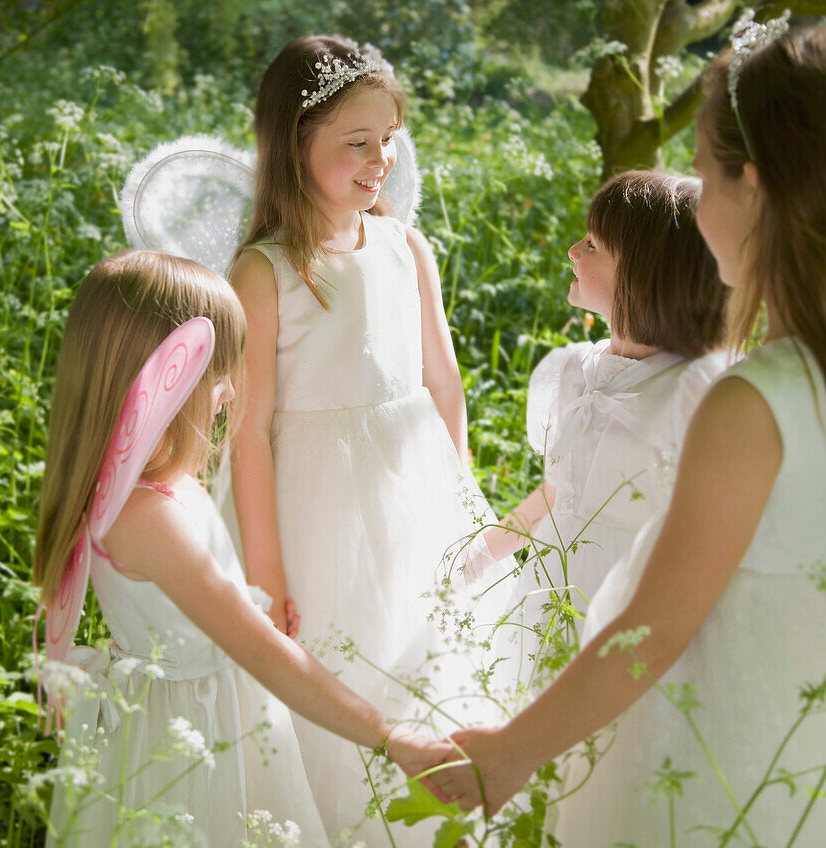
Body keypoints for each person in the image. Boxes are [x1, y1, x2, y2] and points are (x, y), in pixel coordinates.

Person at [434, 23, 826, 848]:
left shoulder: (747, 402)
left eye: (706, 174)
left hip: (720, 749)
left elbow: (655, 630)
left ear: (750, 189)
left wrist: (506, 756)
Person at [32, 250, 452, 847]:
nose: (229, 393)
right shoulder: (146, 516)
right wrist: (390, 737)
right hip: (195, 738)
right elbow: (264, 656)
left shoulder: (151, 488)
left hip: (222, 712)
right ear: (163, 376)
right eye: (217, 372)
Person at [226, 35, 502, 844]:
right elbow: (250, 428)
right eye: (356, 143)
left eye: (388, 139)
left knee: (426, 653)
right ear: (293, 141)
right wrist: (266, 569)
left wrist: (461, 503)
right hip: (316, 509)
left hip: (413, 495)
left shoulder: (404, 247)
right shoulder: (267, 269)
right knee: (341, 661)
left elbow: (442, 387)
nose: (379, 159)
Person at [463, 170, 731, 698]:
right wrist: (480, 555)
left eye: (592, 244)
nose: (571, 251)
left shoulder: (693, 389)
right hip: (552, 591)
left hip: (634, 606)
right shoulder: (570, 372)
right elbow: (561, 493)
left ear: (643, 274)